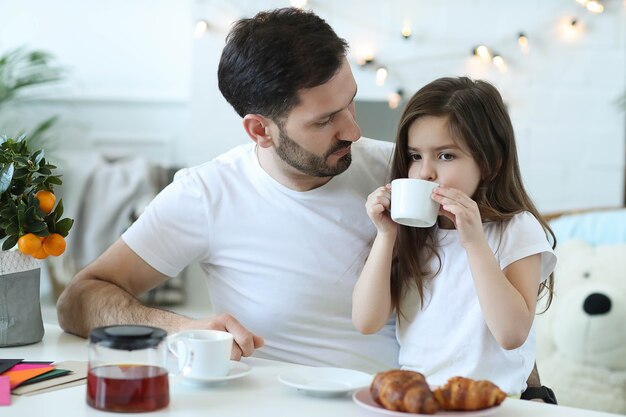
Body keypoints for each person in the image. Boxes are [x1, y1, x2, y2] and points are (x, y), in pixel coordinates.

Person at [57, 8, 551, 399]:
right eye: (325, 121)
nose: (355, 131)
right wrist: (184, 327)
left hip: (403, 400)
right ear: (260, 130)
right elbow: (79, 299)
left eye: (351, 102)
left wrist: (530, 392)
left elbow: (484, 298)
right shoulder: (205, 195)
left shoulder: (403, 175)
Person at [352, 76, 557, 396]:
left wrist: (474, 241)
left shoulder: (516, 228)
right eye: (415, 156)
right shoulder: (414, 235)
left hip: (494, 401)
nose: (425, 172)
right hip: (419, 398)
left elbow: (511, 333)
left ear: (490, 163)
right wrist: (386, 235)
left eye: (445, 156)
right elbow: (366, 321)